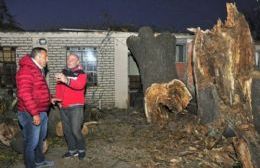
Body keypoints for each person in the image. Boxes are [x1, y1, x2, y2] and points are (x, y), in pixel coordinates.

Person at [16, 47, 54, 168]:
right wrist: (34, 113)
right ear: (38, 57)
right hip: (29, 113)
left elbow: (38, 90)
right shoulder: (26, 70)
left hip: (41, 112)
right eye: (45, 57)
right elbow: (24, 94)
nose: (47, 59)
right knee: (31, 142)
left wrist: (50, 98)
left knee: (40, 140)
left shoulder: (37, 70)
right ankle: (30, 165)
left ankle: (39, 161)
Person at [52, 54, 87, 160]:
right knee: (67, 131)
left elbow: (79, 85)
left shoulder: (81, 74)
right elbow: (59, 88)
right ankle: (72, 150)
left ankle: (81, 150)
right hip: (64, 106)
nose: (69, 61)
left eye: (72, 59)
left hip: (76, 106)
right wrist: (58, 100)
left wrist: (66, 80)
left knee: (75, 130)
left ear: (78, 62)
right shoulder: (64, 73)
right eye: (68, 59)